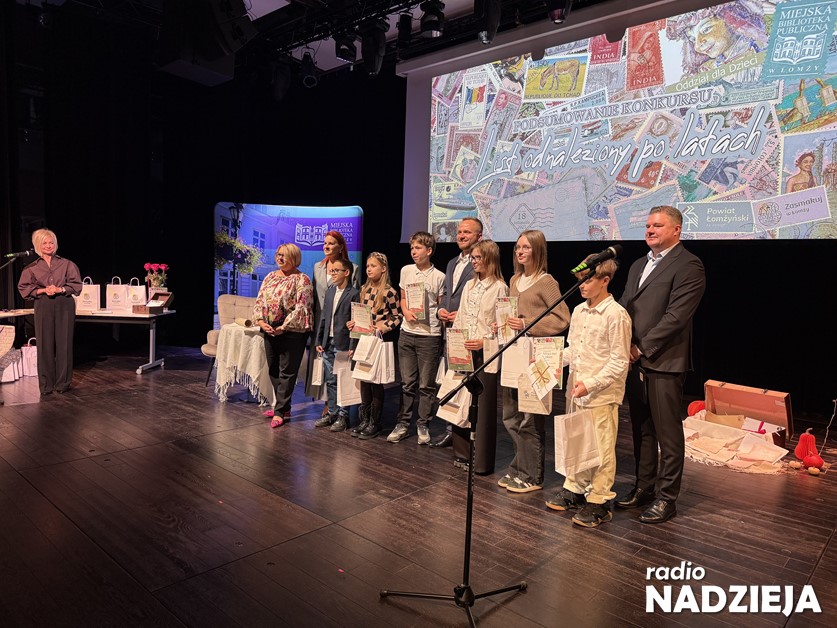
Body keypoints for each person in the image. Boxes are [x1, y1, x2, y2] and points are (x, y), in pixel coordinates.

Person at [616, 206, 706, 524]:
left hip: (664, 361)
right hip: (633, 359)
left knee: (667, 433)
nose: (650, 230)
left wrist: (641, 348)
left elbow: (676, 317)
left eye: (657, 225)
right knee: (641, 429)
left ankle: (667, 498)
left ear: (677, 230)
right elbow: (625, 305)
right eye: (647, 225)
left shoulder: (689, 265)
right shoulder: (638, 264)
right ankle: (644, 488)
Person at [544, 255, 631, 528]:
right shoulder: (580, 311)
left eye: (587, 280)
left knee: (602, 448)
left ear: (605, 280)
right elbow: (575, 349)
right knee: (578, 442)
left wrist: (590, 384)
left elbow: (619, 361)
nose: (581, 285)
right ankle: (576, 488)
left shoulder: (616, 315)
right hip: (576, 389)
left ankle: (600, 499)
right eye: (579, 280)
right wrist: (552, 360)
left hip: (600, 394)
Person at [499, 229, 570, 493]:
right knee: (511, 416)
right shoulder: (514, 279)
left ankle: (532, 475)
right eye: (518, 247)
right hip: (514, 354)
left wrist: (527, 324)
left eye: (526, 247)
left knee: (530, 418)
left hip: (536, 357)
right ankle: (519, 468)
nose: (520, 251)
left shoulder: (546, 282)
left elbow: (562, 318)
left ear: (537, 250)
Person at [448, 239, 507, 474]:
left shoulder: (499, 287)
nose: (473, 262)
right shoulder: (470, 285)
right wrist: (456, 344)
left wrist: (483, 341)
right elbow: (461, 317)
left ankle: (481, 461)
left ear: (490, 259)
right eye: (472, 258)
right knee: (459, 401)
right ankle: (461, 454)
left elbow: (503, 326)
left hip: (485, 353)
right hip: (464, 351)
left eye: (478, 258)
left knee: (482, 407)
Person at [388, 232, 445, 444]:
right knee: (407, 383)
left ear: (429, 251)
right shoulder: (406, 270)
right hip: (407, 333)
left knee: (426, 385)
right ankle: (403, 423)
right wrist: (405, 312)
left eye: (418, 248)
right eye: (412, 248)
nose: (413, 251)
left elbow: (440, 306)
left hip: (429, 336)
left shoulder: (439, 276)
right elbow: (403, 298)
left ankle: (423, 424)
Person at [431, 217, 483, 449]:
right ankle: (451, 430)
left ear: (479, 237)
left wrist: (460, 314)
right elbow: (448, 294)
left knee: (469, 383)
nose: (461, 235)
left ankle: (469, 432)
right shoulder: (452, 262)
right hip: (451, 332)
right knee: (451, 380)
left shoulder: (482, 262)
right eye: (460, 232)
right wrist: (441, 310)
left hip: (471, 332)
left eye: (467, 232)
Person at [253, 243, 313, 428]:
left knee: (287, 372)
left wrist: (283, 327)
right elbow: (260, 300)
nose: (280, 258)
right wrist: (261, 322)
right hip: (269, 329)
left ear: (294, 258)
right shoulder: (270, 276)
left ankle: (280, 412)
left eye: (284, 255)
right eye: (278, 254)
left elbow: (301, 308)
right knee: (273, 369)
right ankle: (284, 407)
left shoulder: (302, 279)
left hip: (292, 331)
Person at [17, 229, 82, 396]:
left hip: (64, 303)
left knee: (64, 343)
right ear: (38, 245)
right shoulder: (32, 267)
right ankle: (46, 385)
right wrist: (43, 290)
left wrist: (60, 289)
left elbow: (76, 285)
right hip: (43, 304)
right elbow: (24, 288)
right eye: (44, 243)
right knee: (44, 344)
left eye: (51, 242)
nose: (48, 245)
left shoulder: (67, 264)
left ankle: (63, 384)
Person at [347, 252, 402, 439]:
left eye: (373, 266)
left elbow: (397, 317)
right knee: (364, 380)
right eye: (368, 266)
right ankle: (364, 419)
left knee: (375, 382)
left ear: (383, 269)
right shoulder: (363, 289)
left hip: (378, 341)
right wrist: (353, 324)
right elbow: (359, 314)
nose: (369, 269)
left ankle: (375, 422)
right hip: (363, 340)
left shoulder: (389, 292)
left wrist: (382, 327)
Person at [306, 231, 360, 416]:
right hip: (322, 322)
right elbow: (314, 296)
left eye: (331, 243)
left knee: (340, 370)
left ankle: (340, 411)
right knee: (325, 369)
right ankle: (329, 405)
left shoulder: (352, 268)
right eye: (325, 243)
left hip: (342, 324)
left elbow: (354, 299)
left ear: (340, 246)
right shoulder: (318, 267)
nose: (326, 246)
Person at [666, 1, 767, 82]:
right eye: (693, 39)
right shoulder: (707, 69)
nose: (698, 44)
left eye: (706, 29)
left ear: (731, 20)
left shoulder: (760, 50)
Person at [313, 257, 360, 432]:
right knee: (330, 380)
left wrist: (353, 345)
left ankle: (343, 415)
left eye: (336, 271)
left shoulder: (354, 293)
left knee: (343, 380)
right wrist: (319, 339)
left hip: (344, 343)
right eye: (331, 271)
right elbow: (324, 317)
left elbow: (355, 321)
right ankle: (332, 412)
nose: (332, 274)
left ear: (346, 272)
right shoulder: (330, 292)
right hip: (328, 342)